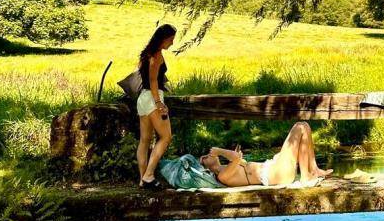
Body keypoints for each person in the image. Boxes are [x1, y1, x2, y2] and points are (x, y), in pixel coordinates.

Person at [200, 122, 333, 188]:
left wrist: (234, 156)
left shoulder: (225, 169)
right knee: (300, 127)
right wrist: (219, 150)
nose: (208, 154)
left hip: (273, 168)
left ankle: (314, 168)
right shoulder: (222, 176)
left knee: (305, 125)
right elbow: (236, 158)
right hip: (275, 174)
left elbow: (236, 158)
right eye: (205, 157)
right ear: (207, 168)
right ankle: (305, 177)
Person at [136, 23, 176, 189]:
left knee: (144, 141)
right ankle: (149, 175)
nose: (172, 43)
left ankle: (142, 179)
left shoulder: (145, 54)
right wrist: (159, 103)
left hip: (142, 99)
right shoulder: (156, 55)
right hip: (153, 99)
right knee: (166, 137)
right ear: (163, 39)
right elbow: (153, 80)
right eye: (171, 39)